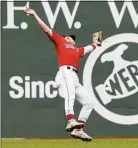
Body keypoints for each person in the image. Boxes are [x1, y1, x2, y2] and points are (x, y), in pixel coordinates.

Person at [24, 7, 101, 142]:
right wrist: (35, 14)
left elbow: (90, 47)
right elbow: (46, 29)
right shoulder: (61, 42)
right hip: (65, 72)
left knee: (89, 102)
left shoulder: (77, 50)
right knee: (70, 95)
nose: (70, 38)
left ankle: (79, 129)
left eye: (72, 38)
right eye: (68, 37)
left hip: (74, 76)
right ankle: (71, 120)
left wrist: (96, 43)